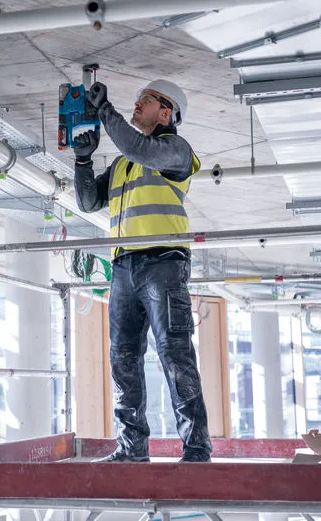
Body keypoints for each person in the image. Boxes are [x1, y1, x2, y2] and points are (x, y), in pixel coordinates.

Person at [72, 79, 212, 463]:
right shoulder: (122, 164)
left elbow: (138, 146)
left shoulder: (176, 152)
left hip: (163, 263)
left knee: (175, 354)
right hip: (123, 268)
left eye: (144, 101)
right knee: (124, 359)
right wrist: (82, 160)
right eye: (135, 101)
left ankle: (197, 450)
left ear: (165, 112)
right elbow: (88, 202)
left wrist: (105, 112)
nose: (136, 106)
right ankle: (132, 449)